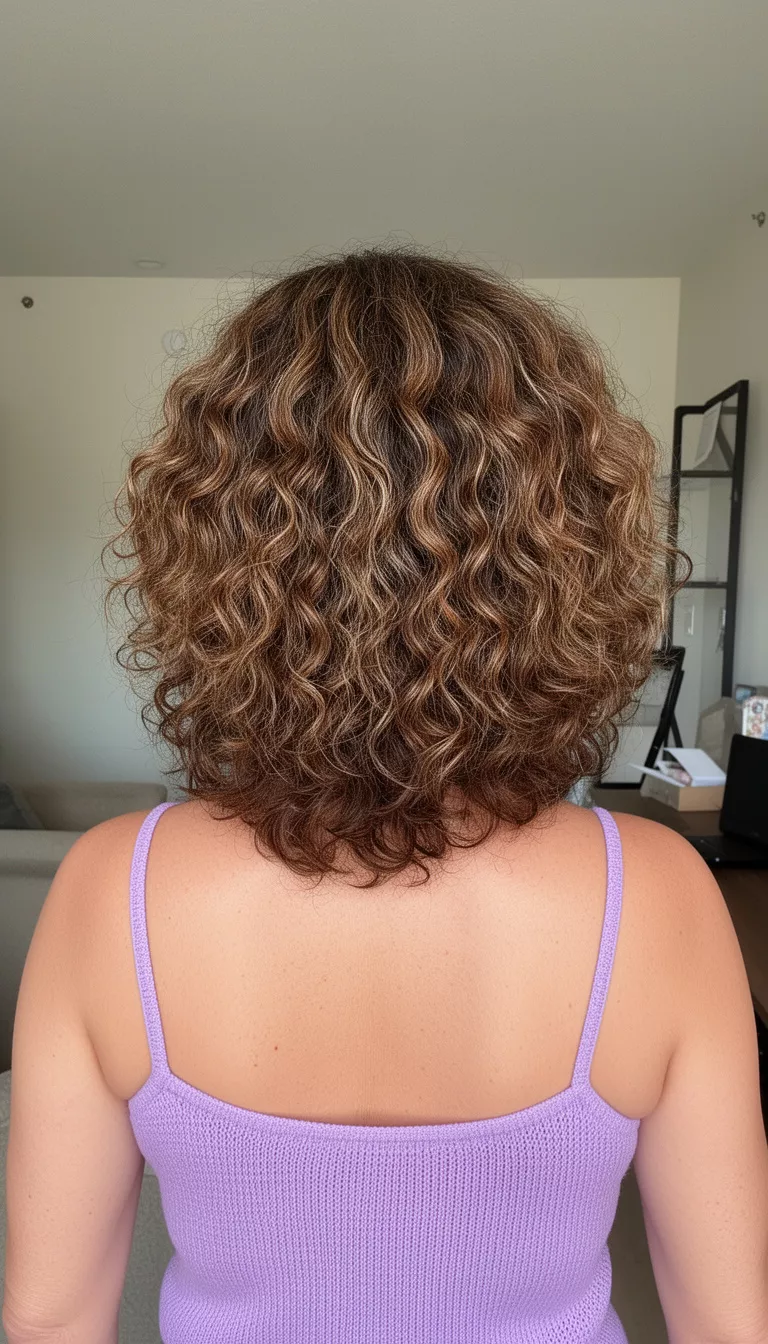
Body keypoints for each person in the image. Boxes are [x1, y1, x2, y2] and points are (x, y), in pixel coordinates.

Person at [4, 248, 768, 1344]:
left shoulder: (105, 889)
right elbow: (729, 1328)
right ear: (562, 558)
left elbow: (51, 1320)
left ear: (218, 556)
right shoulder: (659, 894)